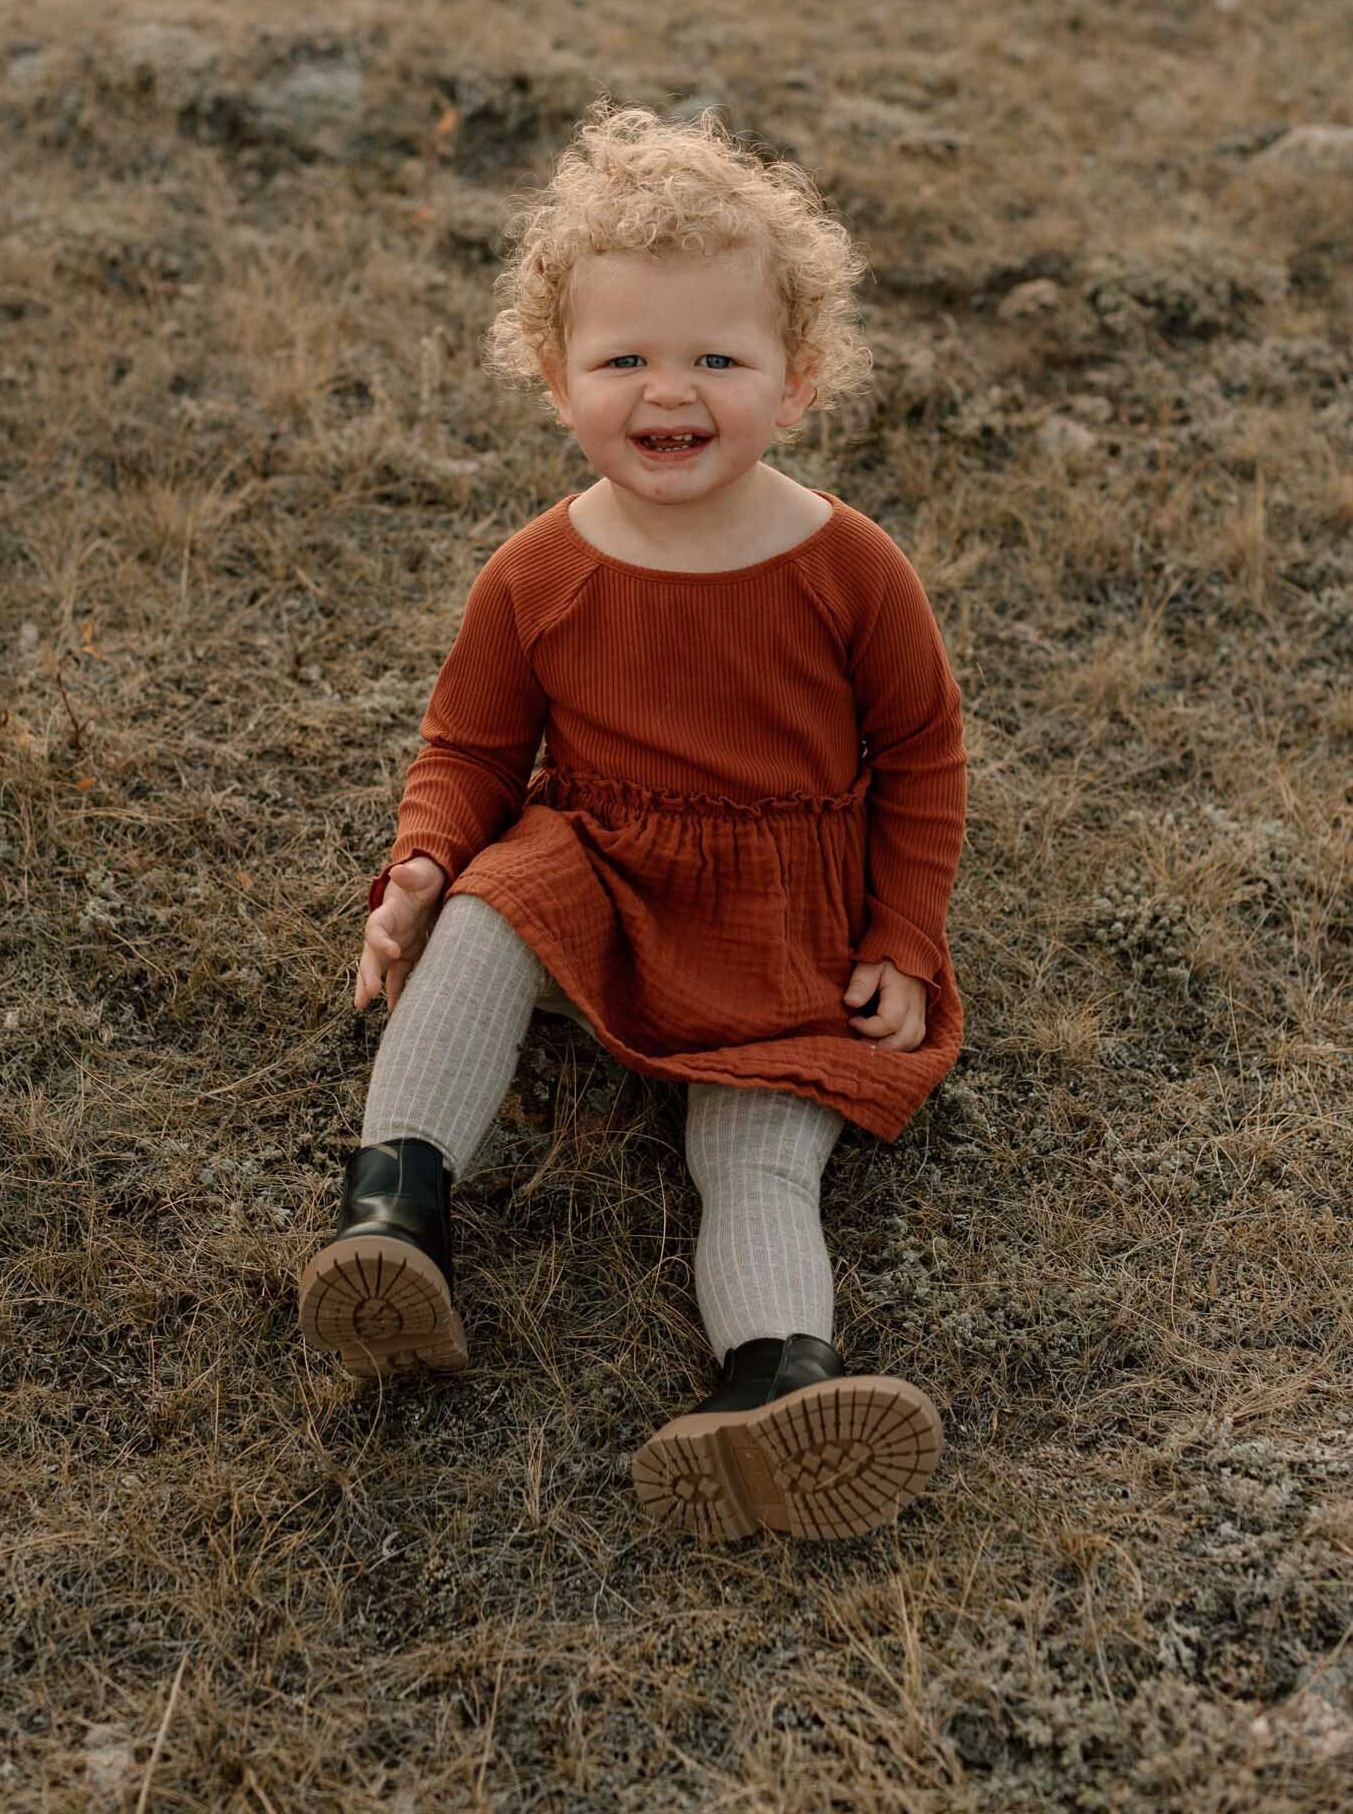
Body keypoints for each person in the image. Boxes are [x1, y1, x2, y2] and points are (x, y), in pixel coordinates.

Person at [297, 99, 967, 1544]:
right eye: (627, 359)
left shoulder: (853, 569)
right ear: (556, 377)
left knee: (757, 1149)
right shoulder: (537, 570)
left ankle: (775, 1382)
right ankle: (394, 1210)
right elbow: (472, 746)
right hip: (598, 855)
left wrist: (902, 934)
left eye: (719, 357)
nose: (673, 392)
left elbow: (922, 756)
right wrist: (416, 864)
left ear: (796, 380)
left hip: (781, 907)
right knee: (486, 906)